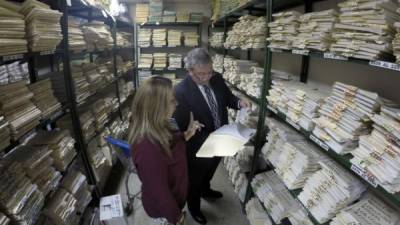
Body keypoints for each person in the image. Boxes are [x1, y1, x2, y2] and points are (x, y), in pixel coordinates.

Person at [173, 48, 251, 224]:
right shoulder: (180, 92)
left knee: (211, 169)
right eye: (201, 74)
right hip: (198, 144)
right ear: (190, 71)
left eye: (210, 72)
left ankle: (206, 189)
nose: (207, 77)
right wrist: (205, 138)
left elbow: (227, 98)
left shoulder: (216, 78)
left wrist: (239, 102)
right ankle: (194, 207)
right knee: (195, 178)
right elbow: (183, 126)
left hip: (222, 137)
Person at [128, 76, 203, 225]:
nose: (177, 104)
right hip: (163, 210)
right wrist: (176, 218)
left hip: (175, 197)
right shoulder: (147, 147)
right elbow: (159, 192)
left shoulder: (158, 125)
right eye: (172, 101)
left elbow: (168, 143)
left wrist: (186, 135)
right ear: (157, 107)